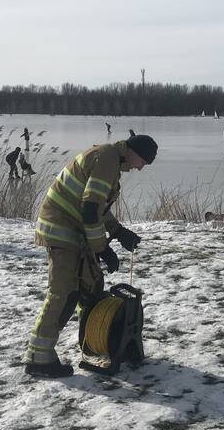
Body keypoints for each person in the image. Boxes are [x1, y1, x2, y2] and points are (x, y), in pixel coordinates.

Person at [23, 134, 157, 378]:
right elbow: (90, 210)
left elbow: (97, 207)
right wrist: (102, 249)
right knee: (63, 293)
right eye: (143, 162)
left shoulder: (111, 159)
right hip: (60, 229)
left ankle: (100, 341)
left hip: (72, 231)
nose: (140, 168)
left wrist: (118, 231)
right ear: (134, 152)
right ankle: (38, 357)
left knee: (91, 285)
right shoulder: (107, 158)